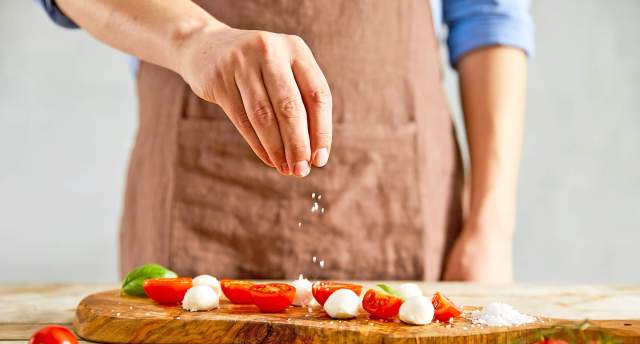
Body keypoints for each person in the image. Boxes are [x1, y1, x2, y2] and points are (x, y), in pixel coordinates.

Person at [39, 0, 533, 283]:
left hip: (397, 190)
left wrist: (490, 227)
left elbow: (491, 16)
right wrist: (192, 37)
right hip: (190, 191)